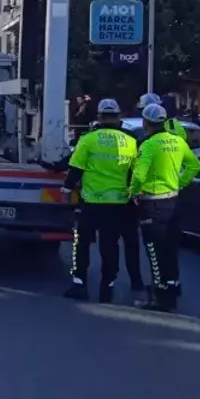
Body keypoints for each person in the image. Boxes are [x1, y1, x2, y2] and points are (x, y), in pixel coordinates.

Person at [62, 99, 138, 303]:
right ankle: (107, 287)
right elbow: (135, 173)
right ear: (119, 118)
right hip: (117, 204)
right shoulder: (130, 141)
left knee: (81, 243)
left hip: (90, 203)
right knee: (110, 247)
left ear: (99, 117)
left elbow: (76, 168)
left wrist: (67, 188)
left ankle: (79, 284)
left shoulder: (88, 139)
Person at [130, 104, 200, 312]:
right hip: (173, 202)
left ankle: (159, 298)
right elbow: (194, 165)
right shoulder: (178, 141)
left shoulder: (149, 145)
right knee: (170, 250)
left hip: (152, 204)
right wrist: (180, 182)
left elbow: (139, 175)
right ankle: (171, 290)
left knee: (154, 252)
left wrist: (133, 192)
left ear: (146, 122)